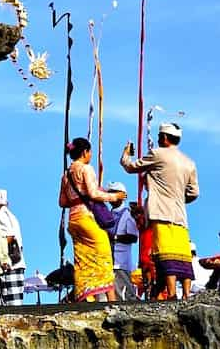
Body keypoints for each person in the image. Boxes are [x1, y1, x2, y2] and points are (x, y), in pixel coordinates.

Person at [121, 122, 199, 300]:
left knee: (166, 253)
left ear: (164, 137)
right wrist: (178, 198)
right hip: (179, 213)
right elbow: (194, 193)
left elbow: (131, 167)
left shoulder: (158, 154)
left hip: (160, 212)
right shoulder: (189, 162)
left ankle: (171, 293)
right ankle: (186, 294)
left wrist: (125, 155)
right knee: (183, 254)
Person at [61, 138, 127, 302]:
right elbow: (93, 193)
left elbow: (62, 202)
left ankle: (85, 296)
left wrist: (76, 196)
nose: (90, 155)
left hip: (74, 220)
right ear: (85, 152)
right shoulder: (86, 169)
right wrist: (114, 197)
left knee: (82, 260)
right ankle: (111, 298)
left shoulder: (66, 174)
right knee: (104, 255)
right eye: (90, 152)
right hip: (86, 217)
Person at [0, 189, 26, 306]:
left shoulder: (1, 215)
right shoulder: (11, 216)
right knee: (16, 303)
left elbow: (9, 237)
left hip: (11, 266)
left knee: (11, 306)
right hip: (18, 265)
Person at [107, 183, 139, 300]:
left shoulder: (128, 214)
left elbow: (133, 237)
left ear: (122, 196)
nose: (111, 196)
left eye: (114, 192)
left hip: (121, 262)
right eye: (109, 193)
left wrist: (115, 238)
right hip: (108, 260)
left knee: (125, 294)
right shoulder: (107, 214)